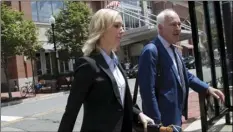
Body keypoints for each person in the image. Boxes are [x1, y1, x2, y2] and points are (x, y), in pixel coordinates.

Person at [58, 8, 155, 132]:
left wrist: (139, 114)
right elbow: (71, 112)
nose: (123, 30)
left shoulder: (116, 63)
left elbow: (123, 100)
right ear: (101, 30)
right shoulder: (88, 65)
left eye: (122, 26)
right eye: (116, 26)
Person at [138, 9, 225, 131]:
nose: (178, 28)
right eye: (173, 24)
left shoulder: (175, 50)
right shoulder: (151, 51)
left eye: (179, 24)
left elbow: (186, 76)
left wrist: (206, 88)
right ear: (160, 28)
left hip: (176, 116)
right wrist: (157, 123)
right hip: (162, 122)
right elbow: (147, 92)